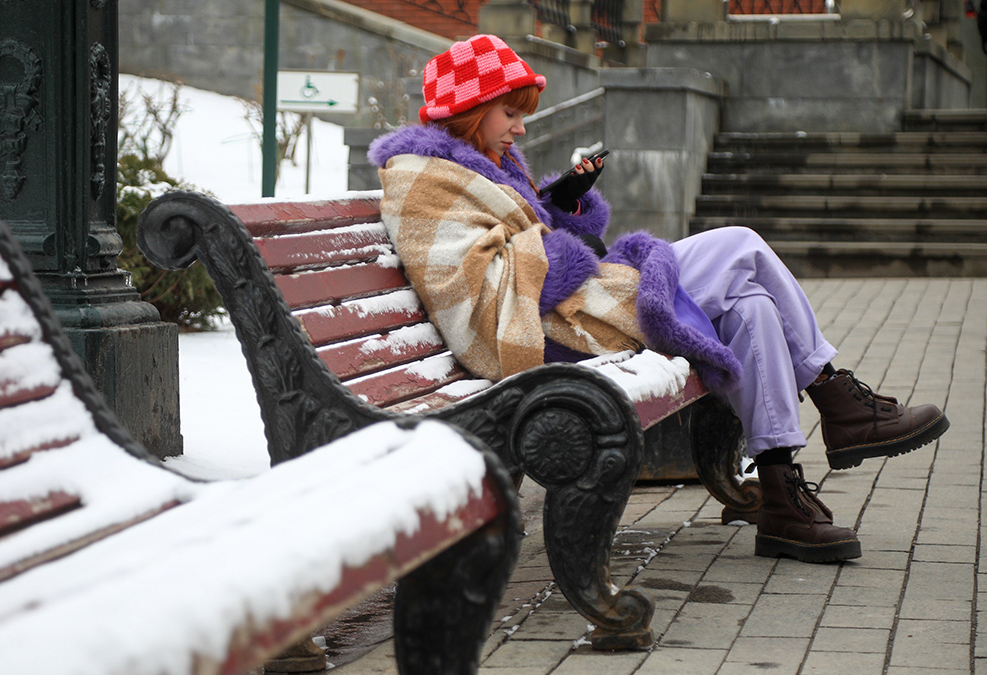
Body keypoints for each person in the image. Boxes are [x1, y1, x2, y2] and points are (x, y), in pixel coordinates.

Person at [368, 34, 950, 564]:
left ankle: (779, 494)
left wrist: (564, 205)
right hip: (546, 334)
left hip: (571, 308)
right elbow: (479, 292)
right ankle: (836, 398)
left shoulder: (483, 163)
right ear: (468, 111)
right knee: (741, 246)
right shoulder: (421, 178)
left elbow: (522, 240)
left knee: (753, 309)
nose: (520, 127)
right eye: (510, 113)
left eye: (522, 115)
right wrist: (563, 247)